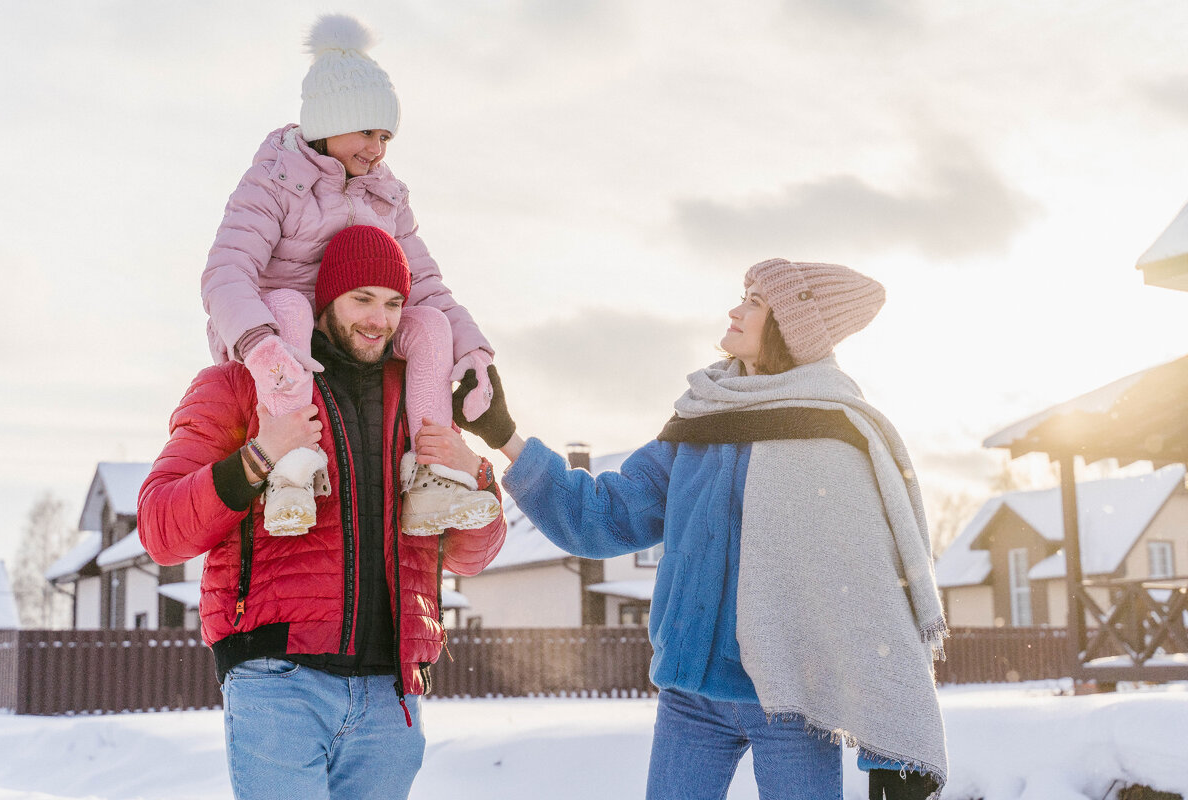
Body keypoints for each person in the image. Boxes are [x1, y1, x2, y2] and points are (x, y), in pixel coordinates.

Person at [455, 259, 948, 799]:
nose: (736, 309)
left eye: (755, 302)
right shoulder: (703, 420)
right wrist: (502, 433)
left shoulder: (832, 437)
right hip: (690, 696)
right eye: (744, 296)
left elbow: (872, 595)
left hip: (793, 700)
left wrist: (896, 750)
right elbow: (601, 517)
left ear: (792, 326)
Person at [138, 226, 507, 800]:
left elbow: (468, 555)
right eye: (361, 298)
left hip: (391, 695)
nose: (378, 320)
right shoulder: (241, 388)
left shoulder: (420, 398)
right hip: (278, 683)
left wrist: (477, 475)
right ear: (324, 299)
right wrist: (260, 457)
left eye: (392, 304)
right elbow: (160, 528)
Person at [201, 13, 497, 538]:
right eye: (365, 130)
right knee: (291, 305)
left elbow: (425, 282)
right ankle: (292, 468)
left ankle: (431, 475)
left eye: (385, 135)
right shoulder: (274, 181)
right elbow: (226, 271)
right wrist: (259, 343)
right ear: (325, 121)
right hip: (277, 332)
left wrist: (474, 354)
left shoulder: (385, 194)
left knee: (429, 323)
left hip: (356, 320)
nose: (377, 148)